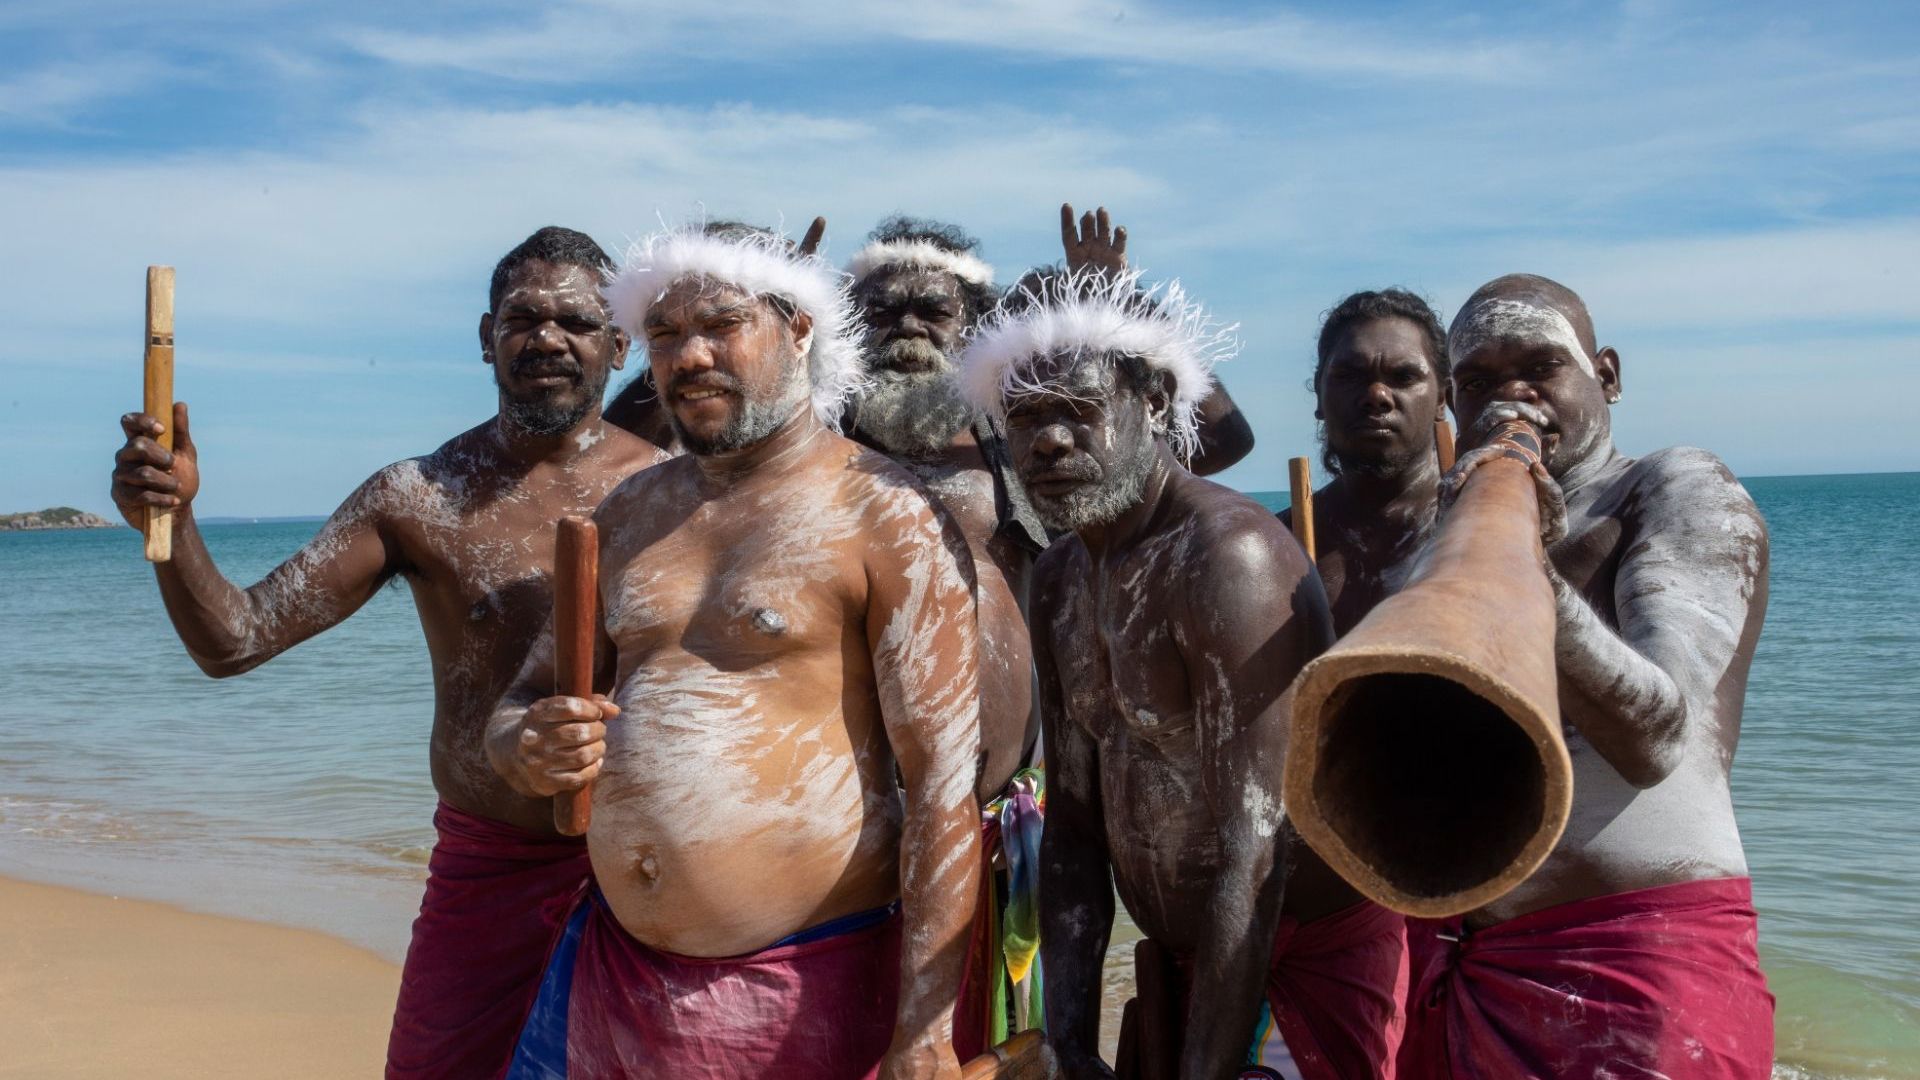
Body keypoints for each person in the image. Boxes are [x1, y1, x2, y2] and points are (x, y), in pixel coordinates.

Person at [108, 226, 668, 1079]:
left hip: (653, 867)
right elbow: (234, 640)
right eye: (522, 318)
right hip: (487, 872)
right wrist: (175, 523)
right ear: (487, 338)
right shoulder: (420, 498)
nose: (547, 338)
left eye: (577, 322)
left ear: (619, 345)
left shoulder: (675, 492)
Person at [492, 223, 983, 1080]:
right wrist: (527, 747)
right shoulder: (631, 512)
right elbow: (516, 707)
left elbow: (945, 795)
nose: (689, 358)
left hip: (801, 985)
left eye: (721, 326)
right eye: (666, 336)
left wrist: (927, 1030)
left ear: (798, 328)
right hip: (607, 973)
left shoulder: (884, 513)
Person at [964, 266, 1395, 1080]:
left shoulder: (1227, 559)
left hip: (1288, 967)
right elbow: (1076, 830)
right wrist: (1071, 1048)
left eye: (1079, 411)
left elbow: (1256, 852)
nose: (1048, 441)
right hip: (1189, 960)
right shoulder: (1061, 575)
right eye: (1024, 418)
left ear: (1155, 404)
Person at [1397, 273, 1774, 1079]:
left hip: (1644, 961)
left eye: (1539, 366)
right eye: (1479, 381)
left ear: (1606, 374)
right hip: (1473, 964)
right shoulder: (1449, 532)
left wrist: (1521, 573)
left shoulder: (1674, 487)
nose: (1510, 396)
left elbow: (1657, 734)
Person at [1282, 289, 1451, 633]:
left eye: (1403, 377)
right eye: (1350, 376)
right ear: (1318, 392)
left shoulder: (1491, 526)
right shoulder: (1277, 547)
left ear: (1441, 400)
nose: (1377, 396)